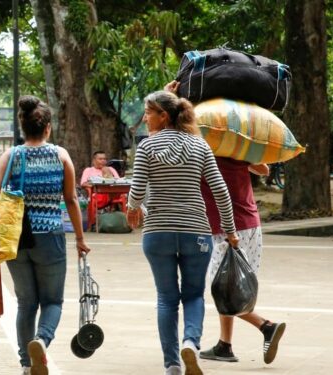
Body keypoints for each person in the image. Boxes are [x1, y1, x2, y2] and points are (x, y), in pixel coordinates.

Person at [126, 89, 239, 375]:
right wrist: (230, 230)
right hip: (196, 232)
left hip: (158, 232)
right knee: (193, 295)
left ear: (163, 116)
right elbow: (221, 191)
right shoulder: (199, 146)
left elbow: (137, 191)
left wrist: (132, 211)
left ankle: (172, 364)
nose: (146, 117)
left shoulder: (147, 147)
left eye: (149, 112)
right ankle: (191, 341)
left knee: (166, 298)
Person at [0, 95, 90, 375]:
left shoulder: (11, 156)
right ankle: (41, 341)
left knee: (26, 303)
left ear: (23, 127)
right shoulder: (60, 155)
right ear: (47, 128)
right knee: (53, 301)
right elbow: (70, 200)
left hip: (17, 238)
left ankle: (25, 364)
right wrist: (80, 239)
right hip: (50, 236)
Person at [199, 159, 286, 364]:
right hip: (251, 224)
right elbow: (263, 169)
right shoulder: (238, 148)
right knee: (230, 284)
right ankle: (224, 345)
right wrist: (241, 161)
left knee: (222, 289)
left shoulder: (203, 151)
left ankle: (266, 326)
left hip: (226, 229)